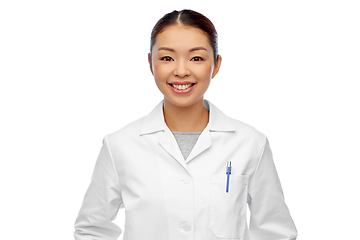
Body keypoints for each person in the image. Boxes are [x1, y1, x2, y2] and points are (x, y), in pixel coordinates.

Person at [73, 9, 298, 240]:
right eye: (167, 58)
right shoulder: (119, 145)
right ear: (151, 63)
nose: (181, 71)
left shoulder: (250, 143)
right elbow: (91, 230)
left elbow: (275, 232)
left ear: (216, 65)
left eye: (197, 58)